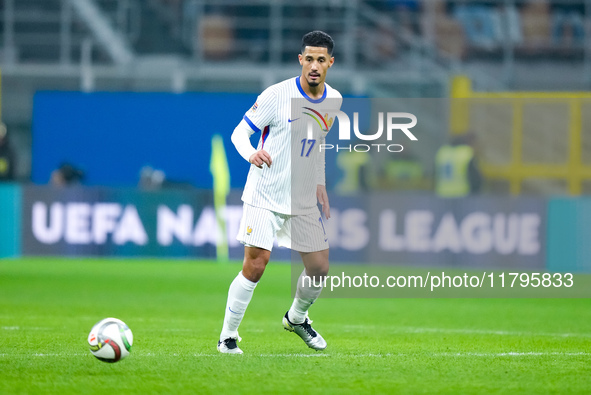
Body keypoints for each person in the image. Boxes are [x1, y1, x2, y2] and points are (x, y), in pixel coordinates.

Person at [218, 31, 342, 354]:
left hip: (301, 199)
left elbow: (317, 145)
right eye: (309, 59)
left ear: (330, 62)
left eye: (321, 60)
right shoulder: (276, 95)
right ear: (300, 60)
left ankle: (296, 318)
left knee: (319, 268)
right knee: (256, 265)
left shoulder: (333, 101)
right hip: (264, 194)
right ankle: (228, 336)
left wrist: (320, 183)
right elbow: (239, 133)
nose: (314, 66)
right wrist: (250, 154)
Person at [434, 132, 482, 197]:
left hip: (442, 195)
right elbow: (475, 179)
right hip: (461, 195)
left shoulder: (442, 152)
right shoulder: (466, 153)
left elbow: (435, 174)